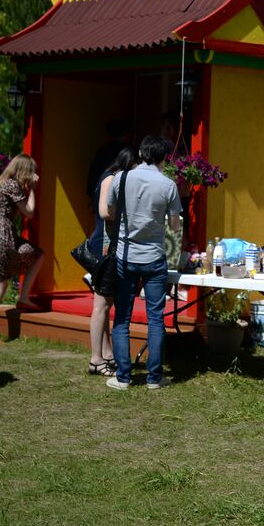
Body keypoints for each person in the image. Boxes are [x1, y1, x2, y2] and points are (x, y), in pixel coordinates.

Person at [104, 135, 181, 390]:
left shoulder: (121, 178)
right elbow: (174, 226)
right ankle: (154, 378)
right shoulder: (168, 185)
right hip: (154, 257)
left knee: (122, 317)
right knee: (155, 318)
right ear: (164, 158)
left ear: (140, 153)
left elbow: (110, 211)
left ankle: (123, 377)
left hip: (125, 255)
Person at [0, 154, 44, 343]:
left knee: (35, 254)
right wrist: (33, 190)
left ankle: (23, 298)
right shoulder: (12, 185)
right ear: (24, 170)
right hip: (2, 233)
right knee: (0, 285)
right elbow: (29, 212)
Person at [87, 145, 138, 377]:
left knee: (106, 305)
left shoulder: (114, 177)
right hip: (104, 248)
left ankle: (107, 354)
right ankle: (95, 359)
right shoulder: (110, 178)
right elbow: (104, 212)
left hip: (109, 247)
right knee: (100, 306)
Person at [85, 119, 131, 253]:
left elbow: (92, 176)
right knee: (106, 231)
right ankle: (101, 257)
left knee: (101, 229)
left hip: (98, 193)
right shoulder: (126, 152)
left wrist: (92, 195)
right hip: (114, 198)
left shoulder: (103, 151)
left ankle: (99, 255)